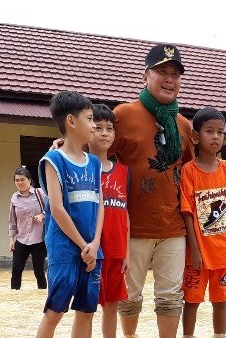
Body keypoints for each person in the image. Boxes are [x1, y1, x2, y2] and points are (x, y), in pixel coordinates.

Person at [111, 44, 195, 338]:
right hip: (131, 227)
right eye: (162, 72)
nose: (169, 79)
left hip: (173, 228)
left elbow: (191, 174)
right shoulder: (123, 115)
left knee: (171, 296)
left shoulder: (183, 125)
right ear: (145, 76)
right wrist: (65, 148)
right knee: (129, 295)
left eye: (175, 74)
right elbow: (95, 156)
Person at [36, 91, 104, 338]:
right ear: (71, 122)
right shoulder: (53, 159)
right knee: (55, 311)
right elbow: (56, 208)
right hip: (65, 248)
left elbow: (100, 204)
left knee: (87, 312)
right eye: (89, 118)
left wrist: (95, 243)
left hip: (93, 249)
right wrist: (84, 245)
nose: (94, 124)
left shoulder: (94, 163)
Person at [180, 107, 226, 338]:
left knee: (221, 301)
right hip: (196, 253)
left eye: (220, 132)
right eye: (209, 131)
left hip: (223, 252)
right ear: (196, 136)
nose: (216, 136)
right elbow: (187, 212)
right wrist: (195, 250)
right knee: (191, 301)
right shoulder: (188, 171)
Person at [87, 104, 130, 338]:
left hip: (117, 251)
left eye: (109, 128)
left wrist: (127, 253)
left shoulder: (124, 171)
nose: (104, 133)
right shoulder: (81, 168)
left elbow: (126, 212)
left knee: (112, 306)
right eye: (97, 128)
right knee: (87, 307)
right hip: (92, 252)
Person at [9, 165, 47, 290]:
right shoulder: (14, 197)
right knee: (16, 271)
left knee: (39, 272)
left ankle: (43, 298)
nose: (20, 182)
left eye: (22, 180)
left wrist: (42, 215)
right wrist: (11, 239)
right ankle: (14, 299)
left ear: (29, 180)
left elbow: (52, 210)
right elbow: (12, 220)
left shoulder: (40, 193)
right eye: (17, 180)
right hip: (21, 239)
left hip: (39, 240)